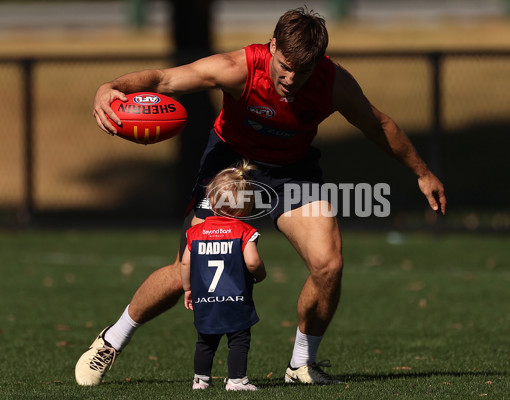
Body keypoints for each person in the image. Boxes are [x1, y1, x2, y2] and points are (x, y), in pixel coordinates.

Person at [75, 6, 447, 386]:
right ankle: (111, 340)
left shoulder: (332, 82)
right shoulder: (237, 68)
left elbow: (378, 124)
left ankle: (302, 364)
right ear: (272, 47)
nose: (291, 78)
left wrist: (422, 172)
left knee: (328, 264)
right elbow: (165, 79)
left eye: (303, 71)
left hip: (291, 172)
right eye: (285, 66)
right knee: (184, 272)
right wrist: (112, 88)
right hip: (229, 168)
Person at [180, 160, 266, 391]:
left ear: (212, 200)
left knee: (205, 341)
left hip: (205, 299)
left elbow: (186, 262)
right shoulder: (244, 231)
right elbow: (252, 261)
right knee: (238, 340)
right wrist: (261, 274)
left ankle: (201, 380)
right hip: (235, 298)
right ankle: (237, 380)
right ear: (246, 206)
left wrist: (188, 289)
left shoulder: (195, 232)